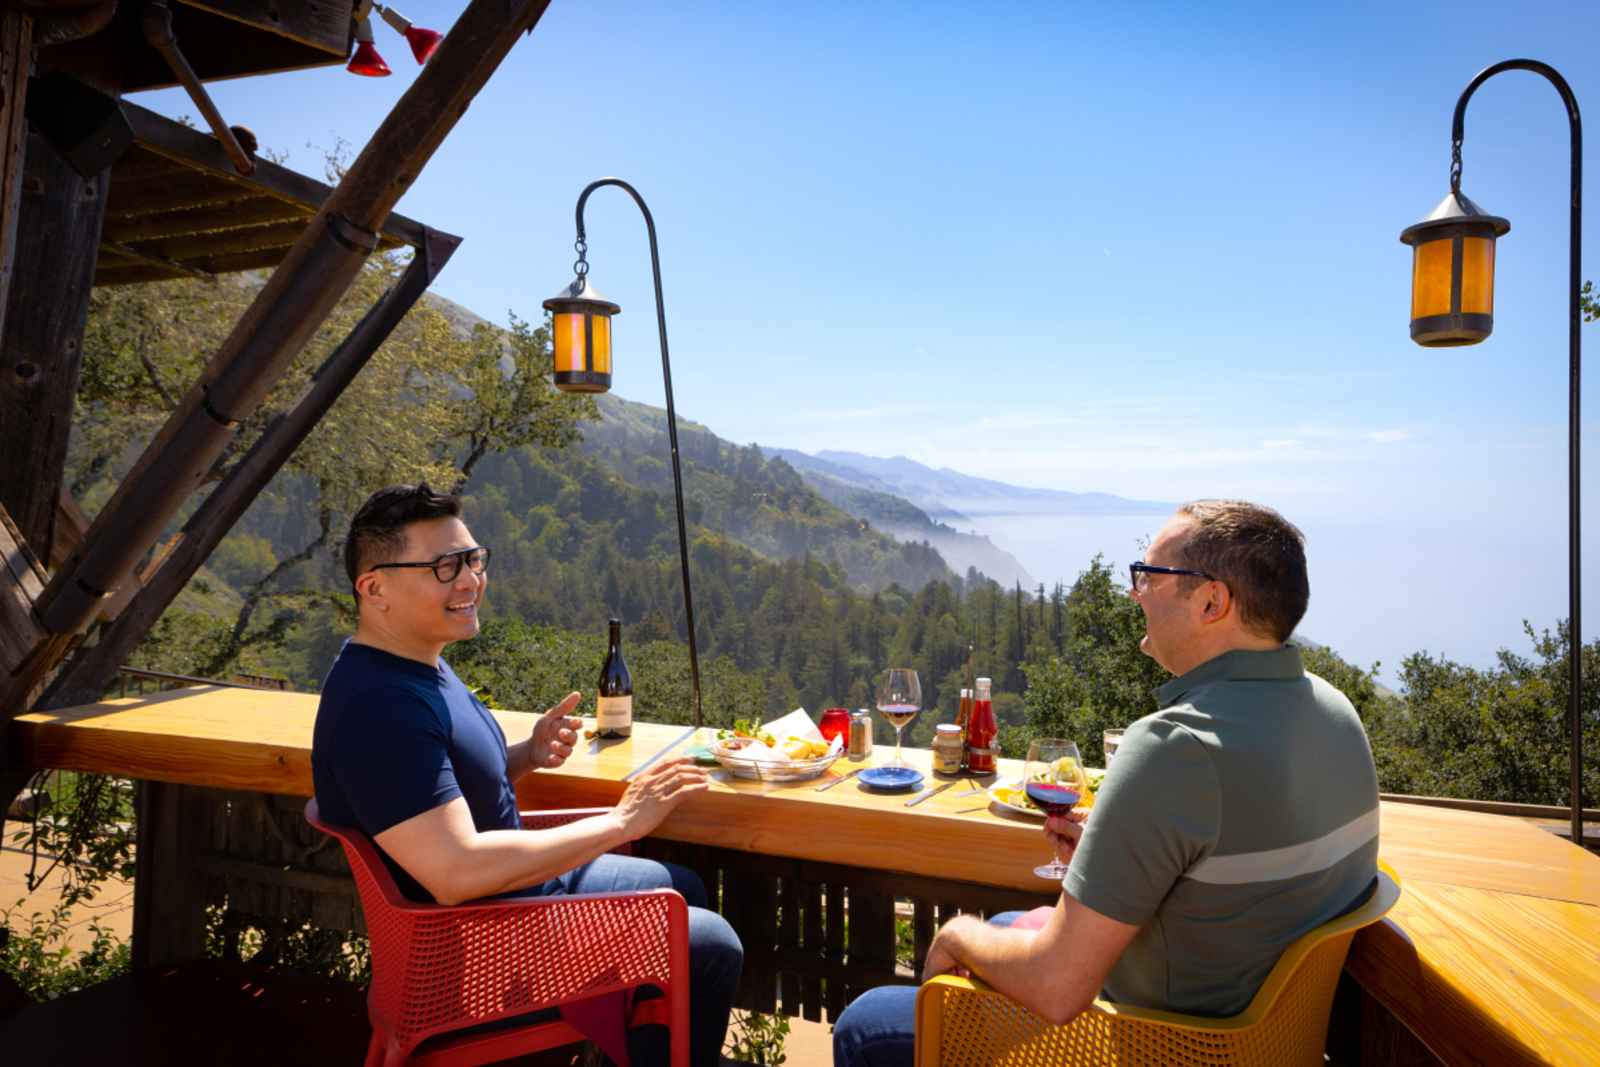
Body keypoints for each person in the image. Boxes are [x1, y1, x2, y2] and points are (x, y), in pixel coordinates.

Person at [834, 499, 1379, 1066]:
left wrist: (954, 935)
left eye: (1149, 576)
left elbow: (1056, 987)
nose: (1134, 592)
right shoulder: (1336, 714)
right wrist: (1120, 844)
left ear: (1212, 601)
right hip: (1260, 1044)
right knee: (1008, 926)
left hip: (1154, 1044)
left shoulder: (1177, 747)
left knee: (870, 1023)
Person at [311, 483, 741, 1067]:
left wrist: (524, 756)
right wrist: (621, 821)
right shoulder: (381, 706)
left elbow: (435, 784)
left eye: (472, 558)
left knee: (679, 883)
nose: (469, 580)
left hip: (505, 905)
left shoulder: (415, 665)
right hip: (476, 949)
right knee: (709, 944)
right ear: (375, 588)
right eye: (443, 566)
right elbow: (455, 871)